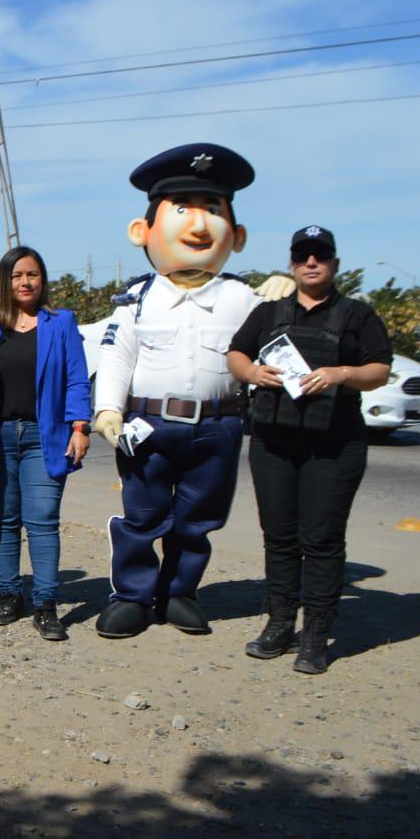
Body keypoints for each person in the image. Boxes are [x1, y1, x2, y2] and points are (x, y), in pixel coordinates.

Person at [91, 143, 276, 639]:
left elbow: (277, 347)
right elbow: (116, 353)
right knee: (142, 515)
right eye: (181, 210)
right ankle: (131, 594)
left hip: (218, 424)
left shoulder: (245, 299)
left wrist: (286, 302)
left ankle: (178, 593)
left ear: (235, 236)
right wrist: (108, 409)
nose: (198, 226)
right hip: (148, 426)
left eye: (212, 211)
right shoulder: (138, 299)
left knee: (197, 519)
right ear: (142, 231)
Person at [229, 226, 391, 674]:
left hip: (334, 445)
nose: (311, 263)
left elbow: (379, 369)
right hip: (274, 441)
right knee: (279, 537)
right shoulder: (269, 313)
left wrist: (341, 374)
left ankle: (317, 633)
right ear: (292, 263)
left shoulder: (357, 315)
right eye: (303, 256)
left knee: (320, 540)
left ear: (334, 264)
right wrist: (252, 372)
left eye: (320, 256)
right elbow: (236, 354)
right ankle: (280, 623)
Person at [0, 247, 92, 641]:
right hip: (1, 436)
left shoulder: (60, 323)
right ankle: (11, 594)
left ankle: (45, 603)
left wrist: (80, 426)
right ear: (5, 281)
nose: (25, 282)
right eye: (17, 275)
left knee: (42, 520)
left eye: (33, 275)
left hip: (47, 436)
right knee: (5, 519)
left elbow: (78, 377)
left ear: (42, 280)